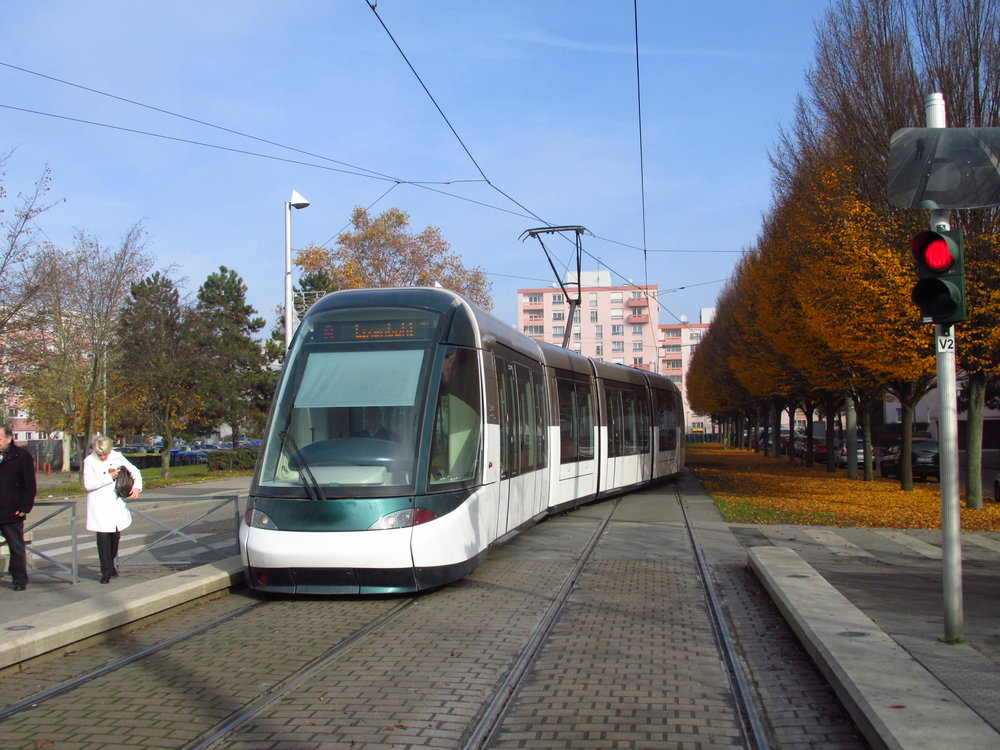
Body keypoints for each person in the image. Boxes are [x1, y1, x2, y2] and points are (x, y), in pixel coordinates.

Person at [83, 436, 142, 584]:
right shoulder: (89, 461)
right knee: (103, 538)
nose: (103, 457)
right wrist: (109, 477)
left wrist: (137, 487)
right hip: (99, 505)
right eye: (100, 454)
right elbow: (88, 484)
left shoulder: (117, 457)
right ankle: (106, 571)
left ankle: (110, 564)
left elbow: (135, 471)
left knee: (115, 536)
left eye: (105, 454)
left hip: (116, 504)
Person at [0, 424, 36, 591]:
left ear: (9, 439)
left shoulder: (21, 456)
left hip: (12, 509)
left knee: (16, 546)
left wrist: (25, 507)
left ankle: (19, 579)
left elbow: (29, 484)